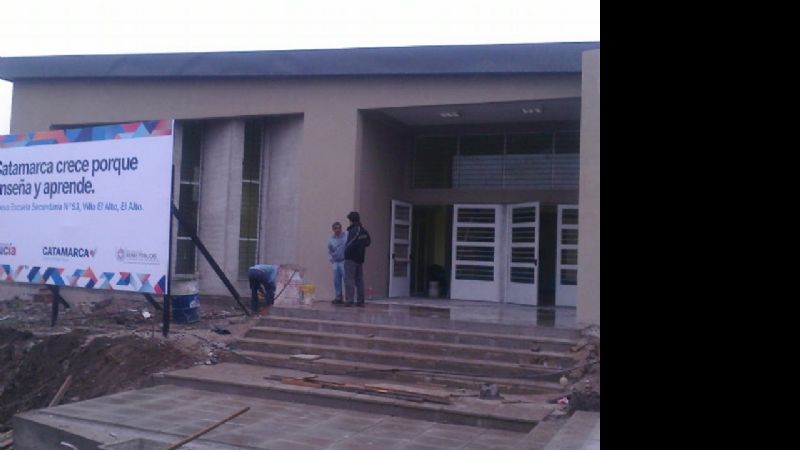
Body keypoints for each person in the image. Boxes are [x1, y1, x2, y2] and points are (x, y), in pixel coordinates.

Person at [342, 211, 371, 307]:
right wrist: (360, 246)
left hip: (350, 257)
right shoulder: (363, 230)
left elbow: (350, 243)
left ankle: (349, 300)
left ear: (351, 220)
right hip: (360, 258)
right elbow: (368, 242)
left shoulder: (354, 230)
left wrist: (345, 251)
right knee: (359, 280)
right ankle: (360, 301)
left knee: (349, 279)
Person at [328, 221, 348, 304]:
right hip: (336, 262)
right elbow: (329, 251)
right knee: (336, 280)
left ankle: (348, 297)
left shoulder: (346, 236)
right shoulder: (331, 240)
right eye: (336, 228)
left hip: (344, 261)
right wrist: (331, 259)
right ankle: (338, 296)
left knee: (346, 279)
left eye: (339, 228)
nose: (338, 230)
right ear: (333, 229)